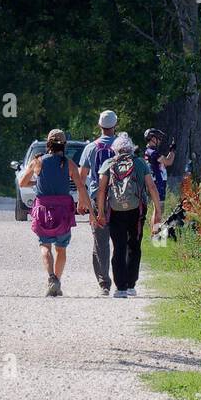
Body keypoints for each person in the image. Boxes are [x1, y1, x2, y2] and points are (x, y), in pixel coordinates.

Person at [19, 129, 91, 297]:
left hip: (43, 209)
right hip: (63, 211)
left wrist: (37, 183)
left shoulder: (38, 161)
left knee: (45, 245)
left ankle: (51, 277)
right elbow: (81, 186)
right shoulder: (68, 163)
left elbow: (22, 183)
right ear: (63, 145)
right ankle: (57, 281)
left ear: (48, 144)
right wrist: (90, 210)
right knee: (61, 248)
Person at [95, 133, 161, 298]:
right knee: (134, 246)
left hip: (115, 211)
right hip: (136, 211)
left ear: (115, 150)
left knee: (119, 247)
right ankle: (131, 285)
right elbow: (151, 187)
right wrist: (157, 209)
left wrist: (101, 212)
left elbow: (101, 190)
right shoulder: (139, 163)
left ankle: (120, 288)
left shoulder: (108, 164)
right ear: (131, 149)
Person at [81, 110, 120, 295]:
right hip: (121, 199)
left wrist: (83, 202)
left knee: (100, 241)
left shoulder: (91, 147)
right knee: (121, 240)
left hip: (98, 200)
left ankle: (104, 283)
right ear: (115, 126)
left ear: (100, 126)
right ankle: (123, 280)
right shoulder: (122, 146)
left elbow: (82, 177)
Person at [143, 127, 175, 208]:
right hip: (158, 181)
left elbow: (165, 163)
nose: (160, 140)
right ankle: (157, 221)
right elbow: (169, 162)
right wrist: (173, 151)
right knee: (159, 208)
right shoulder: (152, 153)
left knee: (158, 207)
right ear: (153, 138)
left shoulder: (149, 151)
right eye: (158, 138)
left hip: (156, 180)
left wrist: (170, 152)